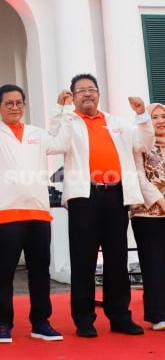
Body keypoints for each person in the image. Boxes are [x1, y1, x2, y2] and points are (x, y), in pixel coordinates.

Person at [0, 63, 72, 343]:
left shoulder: (37, 134)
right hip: (5, 216)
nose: (14, 107)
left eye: (19, 103)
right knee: (4, 274)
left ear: (24, 105)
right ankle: (3, 324)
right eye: (8, 103)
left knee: (39, 273)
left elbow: (63, 142)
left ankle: (41, 322)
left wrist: (63, 109)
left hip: (39, 214)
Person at [61, 73, 152, 338]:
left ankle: (120, 316)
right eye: (81, 91)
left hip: (115, 195)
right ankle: (84, 318)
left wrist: (142, 116)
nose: (87, 94)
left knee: (117, 257)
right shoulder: (69, 122)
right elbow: (58, 142)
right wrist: (64, 111)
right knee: (83, 260)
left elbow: (143, 143)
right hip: (84, 196)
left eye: (91, 89)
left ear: (98, 93)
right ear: (73, 96)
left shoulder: (115, 123)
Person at [130, 102, 165, 331]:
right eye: (155, 117)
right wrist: (161, 201)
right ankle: (158, 314)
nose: (161, 120)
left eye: (164, 116)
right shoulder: (140, 145)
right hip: (148, 213)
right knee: (154, 264)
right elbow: (139, 177)